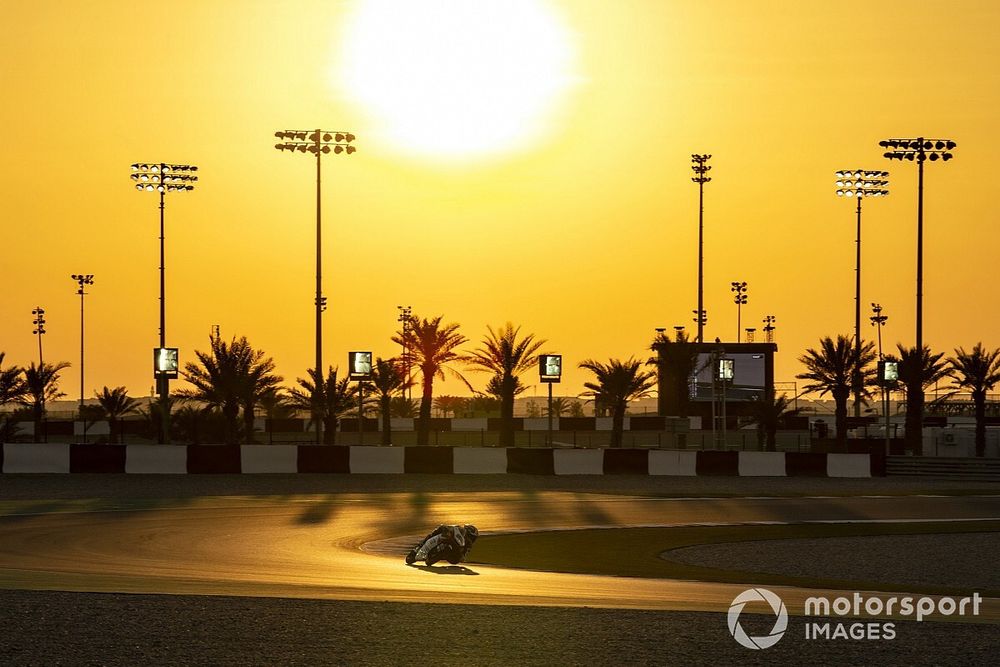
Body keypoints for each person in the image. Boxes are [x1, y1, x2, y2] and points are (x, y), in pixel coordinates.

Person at [405, 524, 479, 565]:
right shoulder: (458, 529)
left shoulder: (469, 545)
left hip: (453, 553)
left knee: (457, 560)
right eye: (471, 536)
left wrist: (461, 555)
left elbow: (463, 558)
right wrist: (446, 530)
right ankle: (419, 548)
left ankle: (439, 555)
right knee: (436, 532)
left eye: (473, 537)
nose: (471, 538)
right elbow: (447, 527)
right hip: (449, 540)